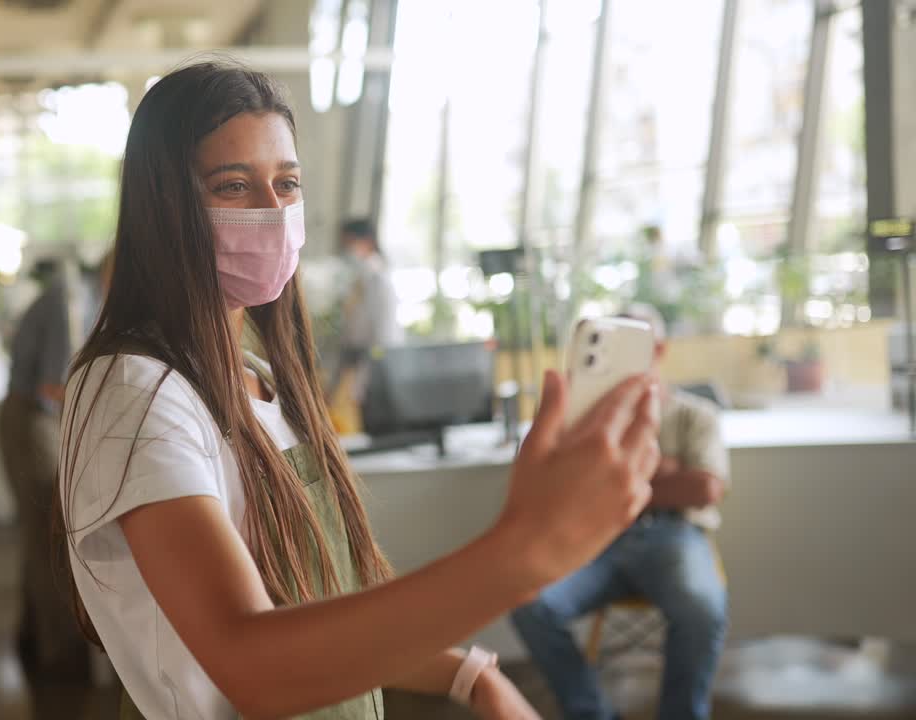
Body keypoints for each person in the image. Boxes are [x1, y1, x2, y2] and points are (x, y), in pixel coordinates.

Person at [60, 60, 662, 720]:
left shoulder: (264, 377)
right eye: (233, 186)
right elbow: (253, 665)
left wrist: (469, 675)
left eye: (287, 184)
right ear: (164, 206)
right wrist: (524, 550)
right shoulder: (137, 392)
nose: (273, 211)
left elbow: (326, 613)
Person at [510, 303, 729, 720]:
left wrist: (610, 481)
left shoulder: (694, 414)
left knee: (702, 608)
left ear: (660, 350)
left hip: (673, 535)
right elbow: (555, 483)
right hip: (595, 537)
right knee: (529, 603)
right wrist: (665, 472)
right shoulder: (581, 418)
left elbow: (705, 488)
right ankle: (590, 713)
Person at [0, 257, 87, 683]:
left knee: (39, 534)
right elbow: (54, 386)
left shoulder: (65, 297)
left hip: (29, 417)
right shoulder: (66, 298)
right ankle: (62, 655)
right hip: (32, 420)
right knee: (50, 537)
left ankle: (33, 638)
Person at [327, 218, 400, 406]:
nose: (347, 249)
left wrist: (364, 375)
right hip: (354, 355)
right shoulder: (360, 276)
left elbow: (383, 333)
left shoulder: (379, 279)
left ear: (367, 242)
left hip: (371, 361)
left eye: (350, 243)